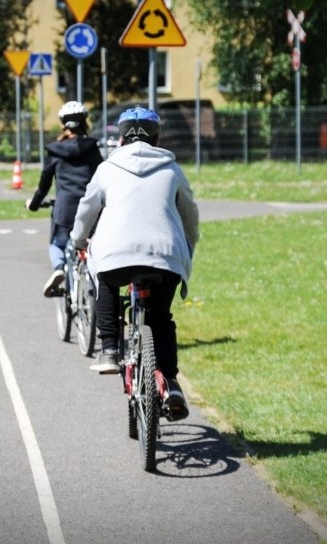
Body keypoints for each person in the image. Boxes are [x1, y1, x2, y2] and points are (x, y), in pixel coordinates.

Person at [70, 105, 200, 421]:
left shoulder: (107, 169)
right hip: (164, 255)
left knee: (105, 282)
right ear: (157, 137)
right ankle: (170, 383)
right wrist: (188, 248)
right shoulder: (172, 169)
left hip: (115, 254)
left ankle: (110, 350)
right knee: (161, 318)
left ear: (120, 137)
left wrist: (78, 242)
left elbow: (86, 211)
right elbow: (190, 218)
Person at [26, 101, 103, 297]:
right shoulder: (92, 148)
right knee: (93, 244)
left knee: (57, 244)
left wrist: (34, 204)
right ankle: (97, 282)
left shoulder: (55, 151)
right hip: (90, 208)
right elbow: (103, 176)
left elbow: (44, 185)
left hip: (65, 209)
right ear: (85, 123)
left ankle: (59, 268)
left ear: (63, 124)